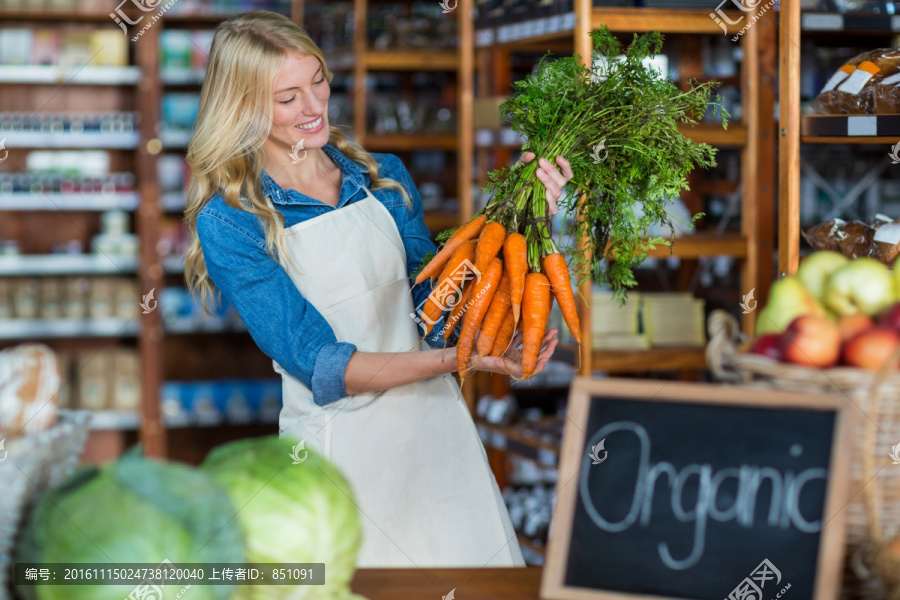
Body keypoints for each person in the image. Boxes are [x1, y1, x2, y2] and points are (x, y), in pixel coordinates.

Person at [183, 10, 573, 568]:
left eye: (317, 82)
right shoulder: (233, 221)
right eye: (287, 97)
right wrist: (460, 359)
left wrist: (518, 221)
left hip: (439, 443)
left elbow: (434, 310)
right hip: (341, 458)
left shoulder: (380, 178)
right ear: (244, 106)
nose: (315, 107)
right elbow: (323, 365)